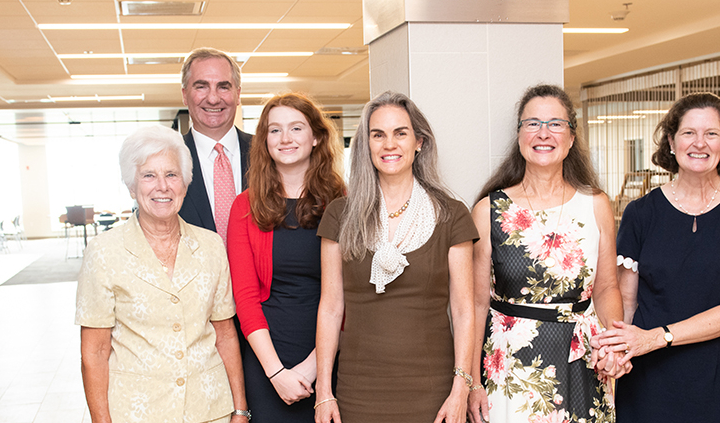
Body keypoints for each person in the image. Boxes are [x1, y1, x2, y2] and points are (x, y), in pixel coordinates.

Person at [591, 92, 720, 423]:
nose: (700, 143)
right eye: (689, 133)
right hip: (649, 377)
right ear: (671, 141)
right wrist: (618, 351)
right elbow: (627, 304)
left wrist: (656, 337)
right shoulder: (640, 213)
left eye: (712, 134)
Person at [313, 92, 478, 423]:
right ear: (366, 145)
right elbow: (331, 309)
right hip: (357, 391)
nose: (389, 144)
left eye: (400, 133)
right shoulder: (340, 215)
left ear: (418, 142)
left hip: (432, 391)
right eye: (378, 135)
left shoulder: (451, 215)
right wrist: (323, 393)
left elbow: (463, 311)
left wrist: (461, 389)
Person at [466, 84, 624, 423]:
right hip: (509, 367)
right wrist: (472, 381)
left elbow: (608, 287)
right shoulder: (488, 210)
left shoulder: (596, 205)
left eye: (556, 124)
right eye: (532, 123)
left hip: (581, 359)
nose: (543, 133)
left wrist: (613, 347)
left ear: (570, 138)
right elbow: (477, 303)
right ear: (519, 135)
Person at [76, 125, 249, 423]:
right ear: (132, 186)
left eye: (171, 175)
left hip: (210, 409)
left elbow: (225, 334)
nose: (162, 186)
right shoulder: (104, 251)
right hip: (136, 411)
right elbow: (94, 352)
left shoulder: (210, 246)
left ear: (184, 183)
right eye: (148, 175)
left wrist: (240, 409)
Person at [227, 93, 346, 421]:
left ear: (316, 137)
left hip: (332, 355)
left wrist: (313, 369)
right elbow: (246, 298)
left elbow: (351, 296)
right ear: (264, 140)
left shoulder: (344, 203)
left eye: (296, 128)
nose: (285, 139)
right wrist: (276, 372)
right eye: (275, 130)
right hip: (267, 358)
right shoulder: (244, 208)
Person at [179, 47, 254, 243]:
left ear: (238, 95)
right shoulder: (167, 158)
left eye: (223, 86)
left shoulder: (268, 152)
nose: (213, 98)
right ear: (185, 95)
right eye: (201, 86)